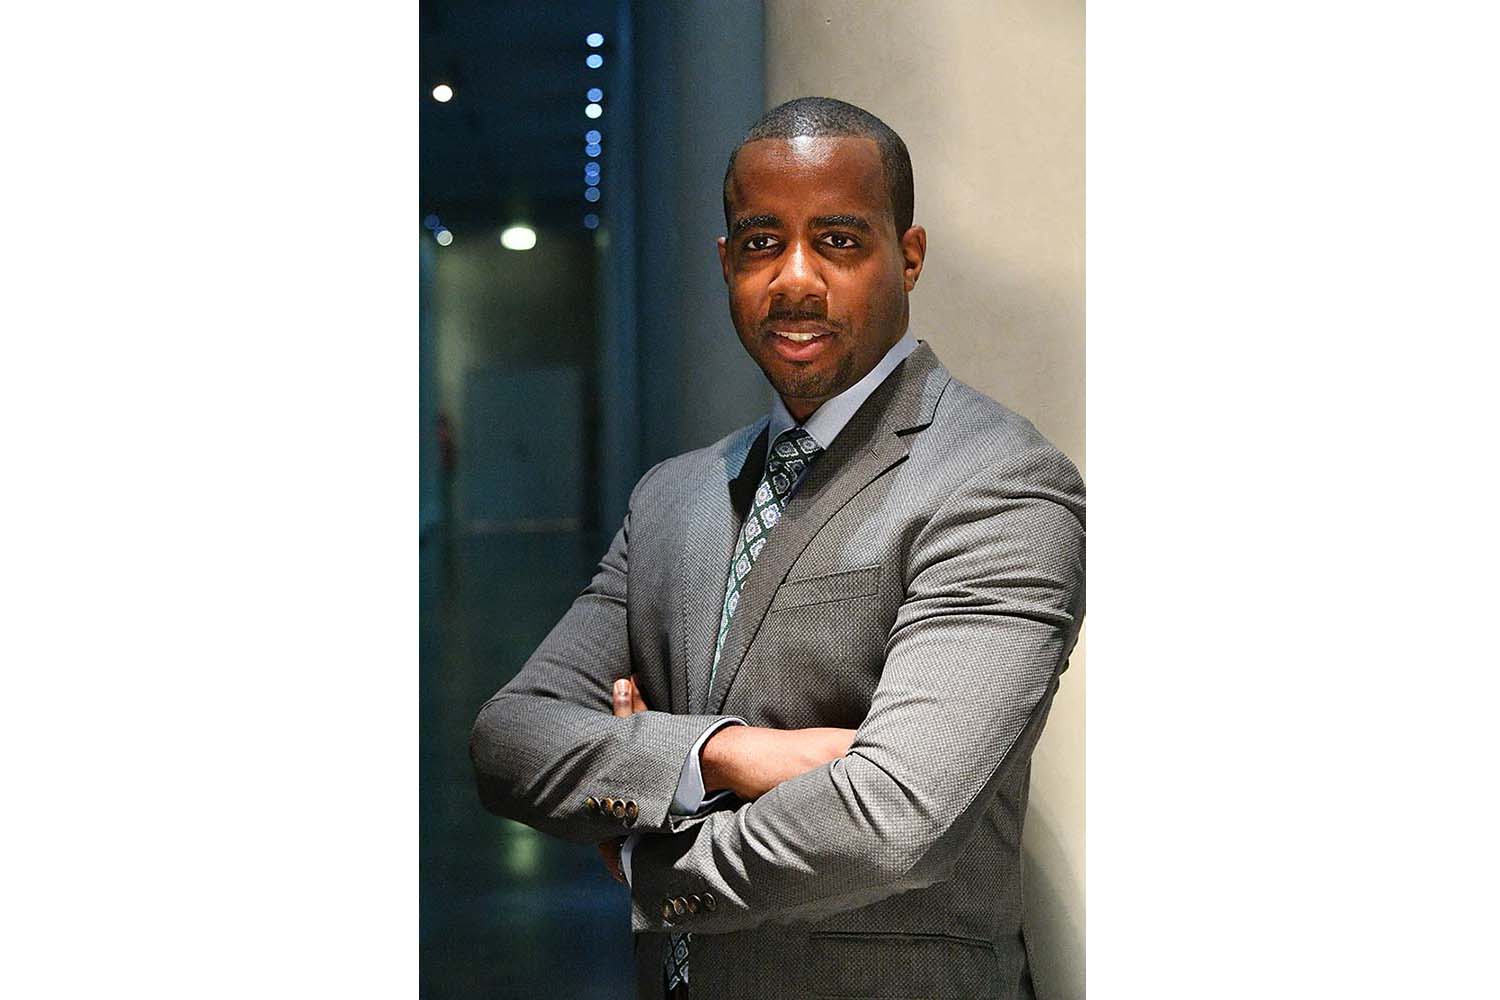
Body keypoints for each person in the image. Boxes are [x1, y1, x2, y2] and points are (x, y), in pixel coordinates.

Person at [470, 96, 1084, 1000]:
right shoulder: (672, 495)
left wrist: (652, 860)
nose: (795, 279)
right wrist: (720, 754)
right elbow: (508, 739)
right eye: (762, 243)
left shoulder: (998, 482)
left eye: (838, 240)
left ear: (907, 256)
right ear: (727, 262)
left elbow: (893, 819)